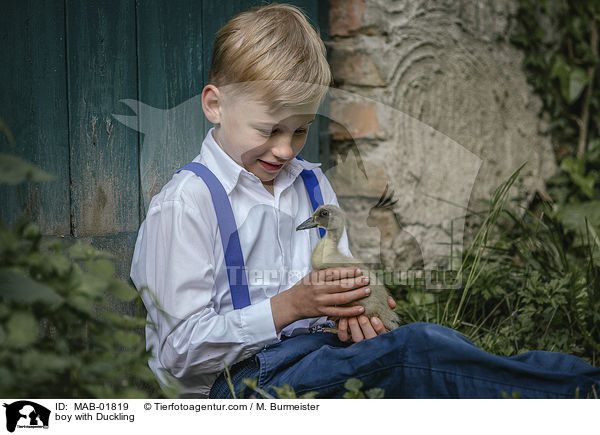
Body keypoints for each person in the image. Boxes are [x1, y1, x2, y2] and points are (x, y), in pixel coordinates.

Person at [130, 3, 600, 399]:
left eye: (301, 130)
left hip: (318, 354)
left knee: (436, 344)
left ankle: (579, 387)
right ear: (215, 104)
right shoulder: (186, 205)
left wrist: (354, 312)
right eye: (268, 129)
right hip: (241, 389)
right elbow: (178, 352)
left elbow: (335, 280)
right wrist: (289, 307)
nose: (285, 149)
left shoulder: (310, 185)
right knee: (416, 353)